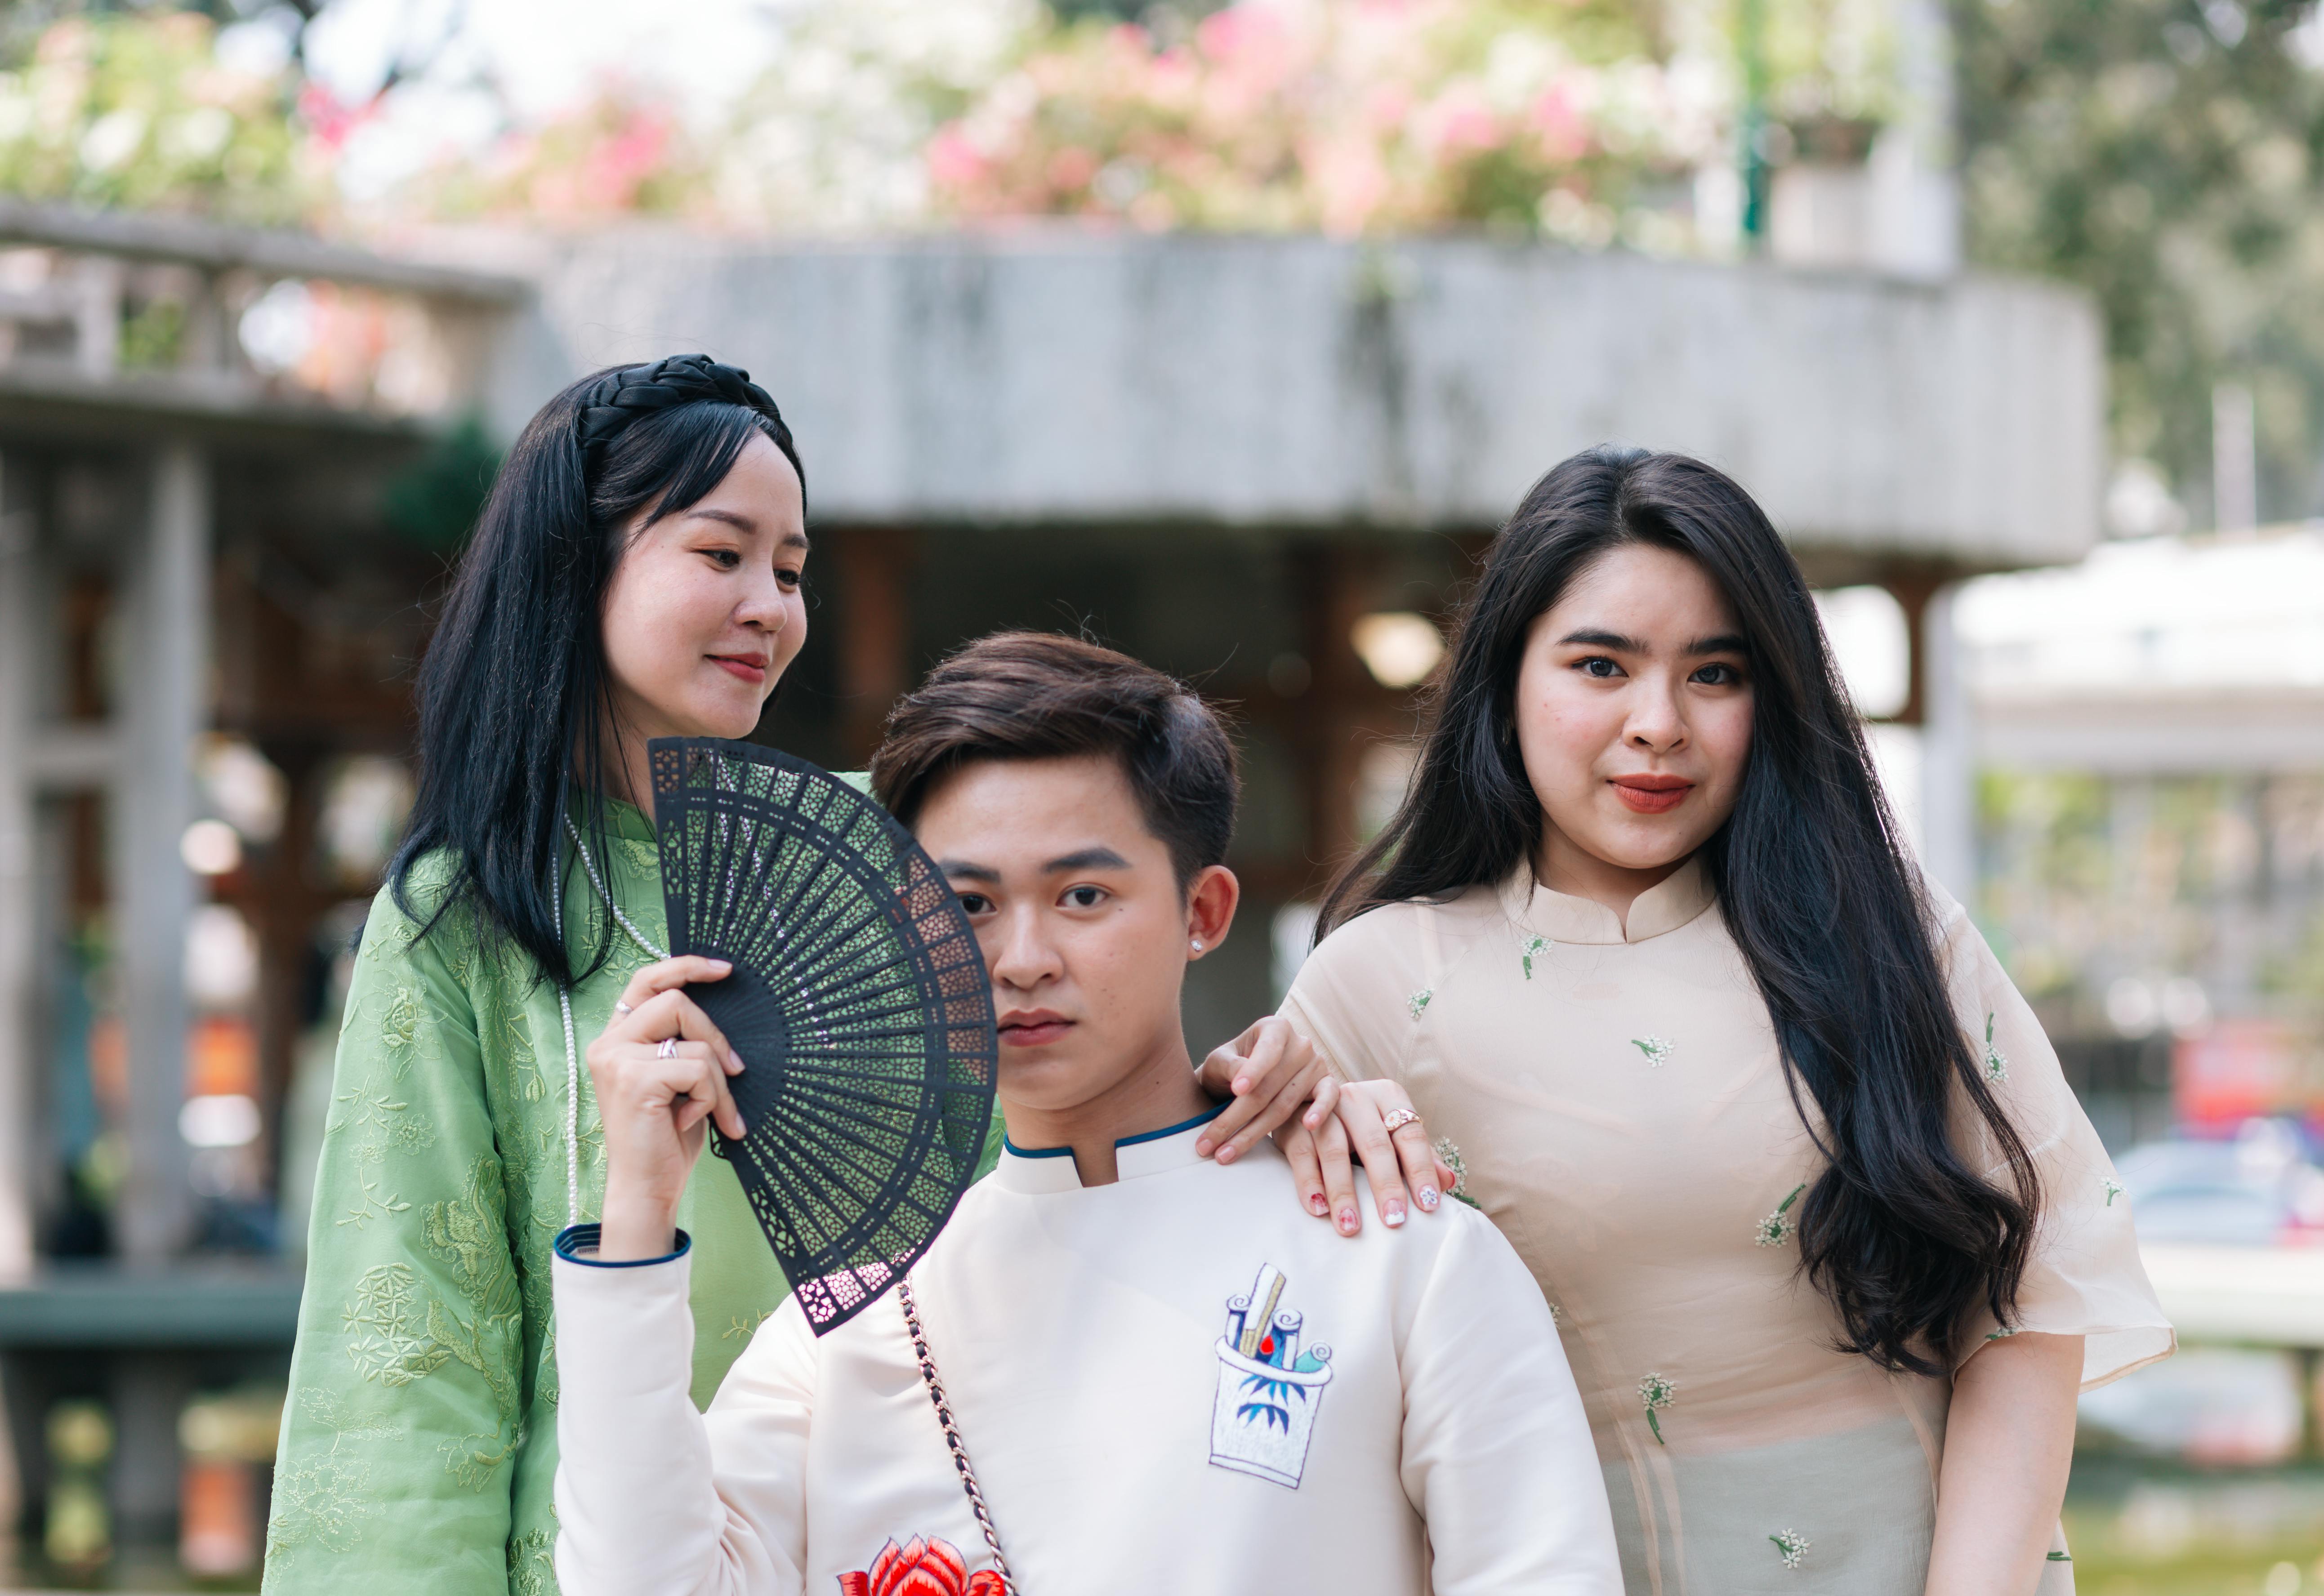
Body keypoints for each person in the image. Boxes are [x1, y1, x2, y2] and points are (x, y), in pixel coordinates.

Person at [1254, 448, 2173, 1595]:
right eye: (1600, 664)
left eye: (1715, 673)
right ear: (1503, 679)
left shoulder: (1884, 935)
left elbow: (2029, 1299)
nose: (1657, 724)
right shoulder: (1377, 984)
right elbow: (1258, 1336)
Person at [552, 633, 1624, 1596]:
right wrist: (637, 1210)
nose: (1022, 961)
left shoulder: (1398, 1254)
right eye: (967, 904)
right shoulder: (854, 1323)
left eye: (1082, 896)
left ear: (1201, 912)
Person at [263, 356, 816, 1595]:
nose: (770, 606)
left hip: (880, 1537)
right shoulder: (459, 915)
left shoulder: (869, 860)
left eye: (790, 569)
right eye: (721, 554)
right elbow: (410, 1351)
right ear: (577, 564)